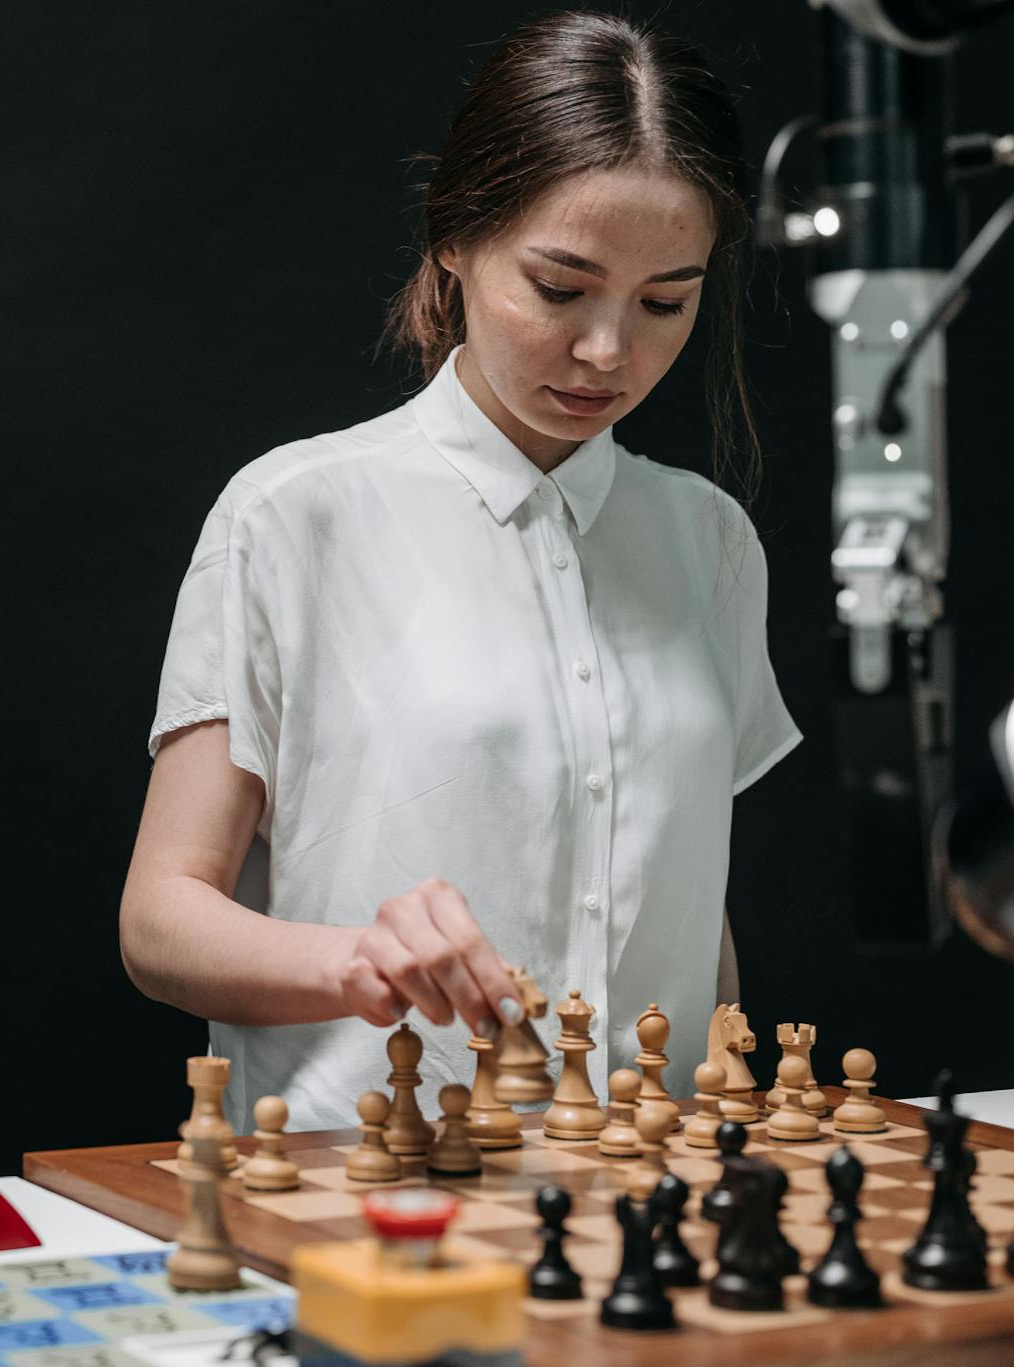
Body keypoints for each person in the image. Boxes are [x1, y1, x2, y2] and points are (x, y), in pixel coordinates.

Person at [118, 10, 802, 1132]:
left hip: (643, 1187)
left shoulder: (708, 539)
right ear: (455, 237)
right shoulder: (296, 514)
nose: (606, 352)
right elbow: (158, 919)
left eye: (663, 302)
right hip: (372, 1182)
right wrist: (360, 961)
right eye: (558, 286)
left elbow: (688, 907)